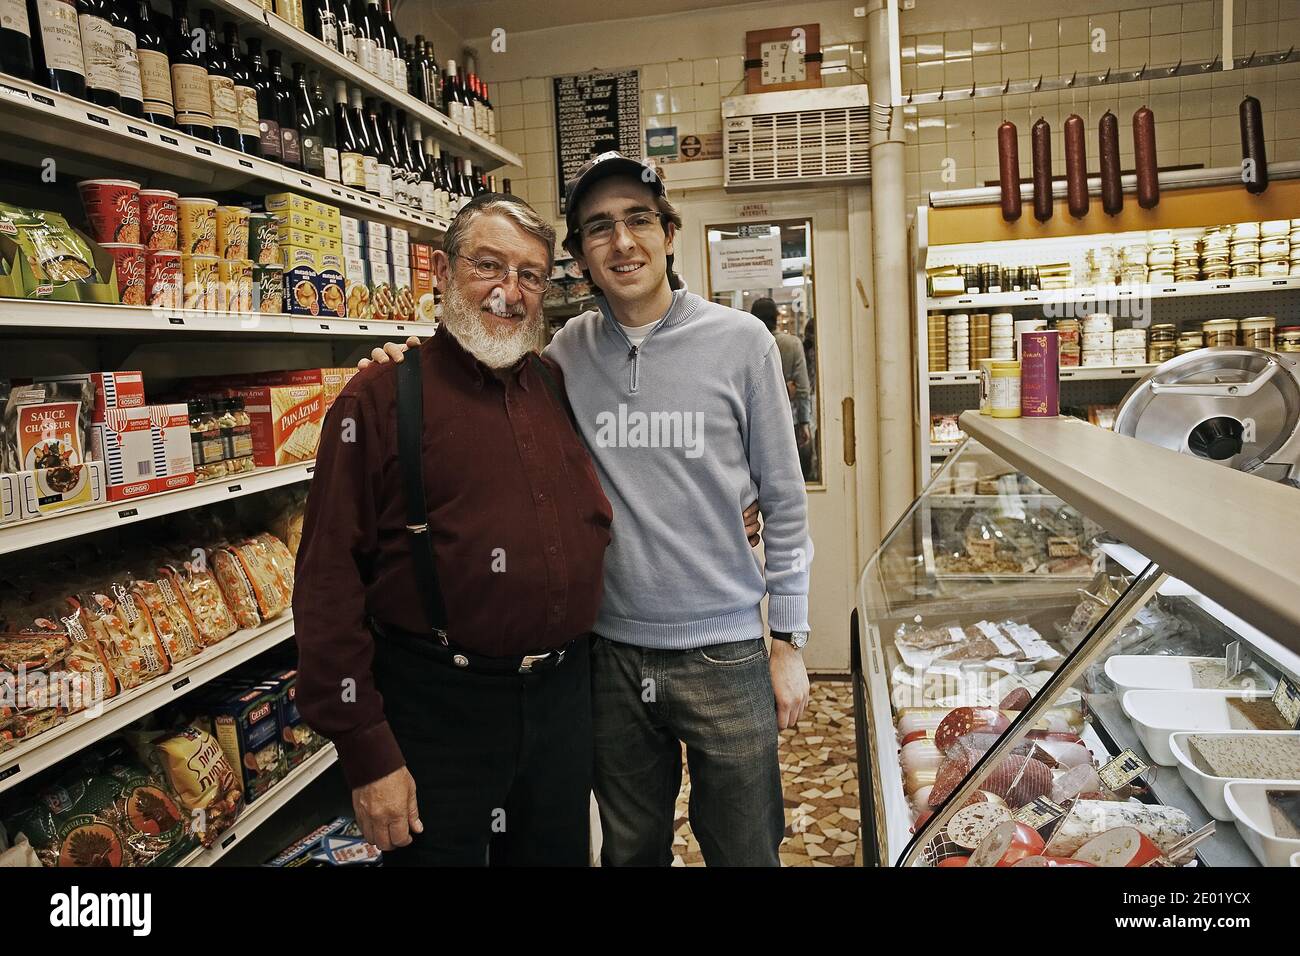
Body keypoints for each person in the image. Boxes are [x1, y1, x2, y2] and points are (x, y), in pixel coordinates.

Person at [366, 151, 812, 867]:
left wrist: (788, 640)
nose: (622, 242)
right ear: (577, 256)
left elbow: (785, 502)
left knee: (745, 848)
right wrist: (402, 364)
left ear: (670, 232)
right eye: (599, 228)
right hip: (606, 656)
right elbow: (475, 375)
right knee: (631, 850)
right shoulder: (563, 356)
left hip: (725, 649)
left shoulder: (743, 344)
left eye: (639, 220)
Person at [293, 193, 615, 866]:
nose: (510, 291)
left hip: (560, 707)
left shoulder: (552, 383)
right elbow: (327, 586)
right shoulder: (378, 398)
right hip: (438, 715)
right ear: (442, 271)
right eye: (489, 266)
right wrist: (366, 751)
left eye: (531, 274)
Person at [751, 296, 812, 450]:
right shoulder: (793, 343)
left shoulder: (748, 346)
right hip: (788, 419)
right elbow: (803, 389)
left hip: (757, 422)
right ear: (776, 317)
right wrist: (805, 422)